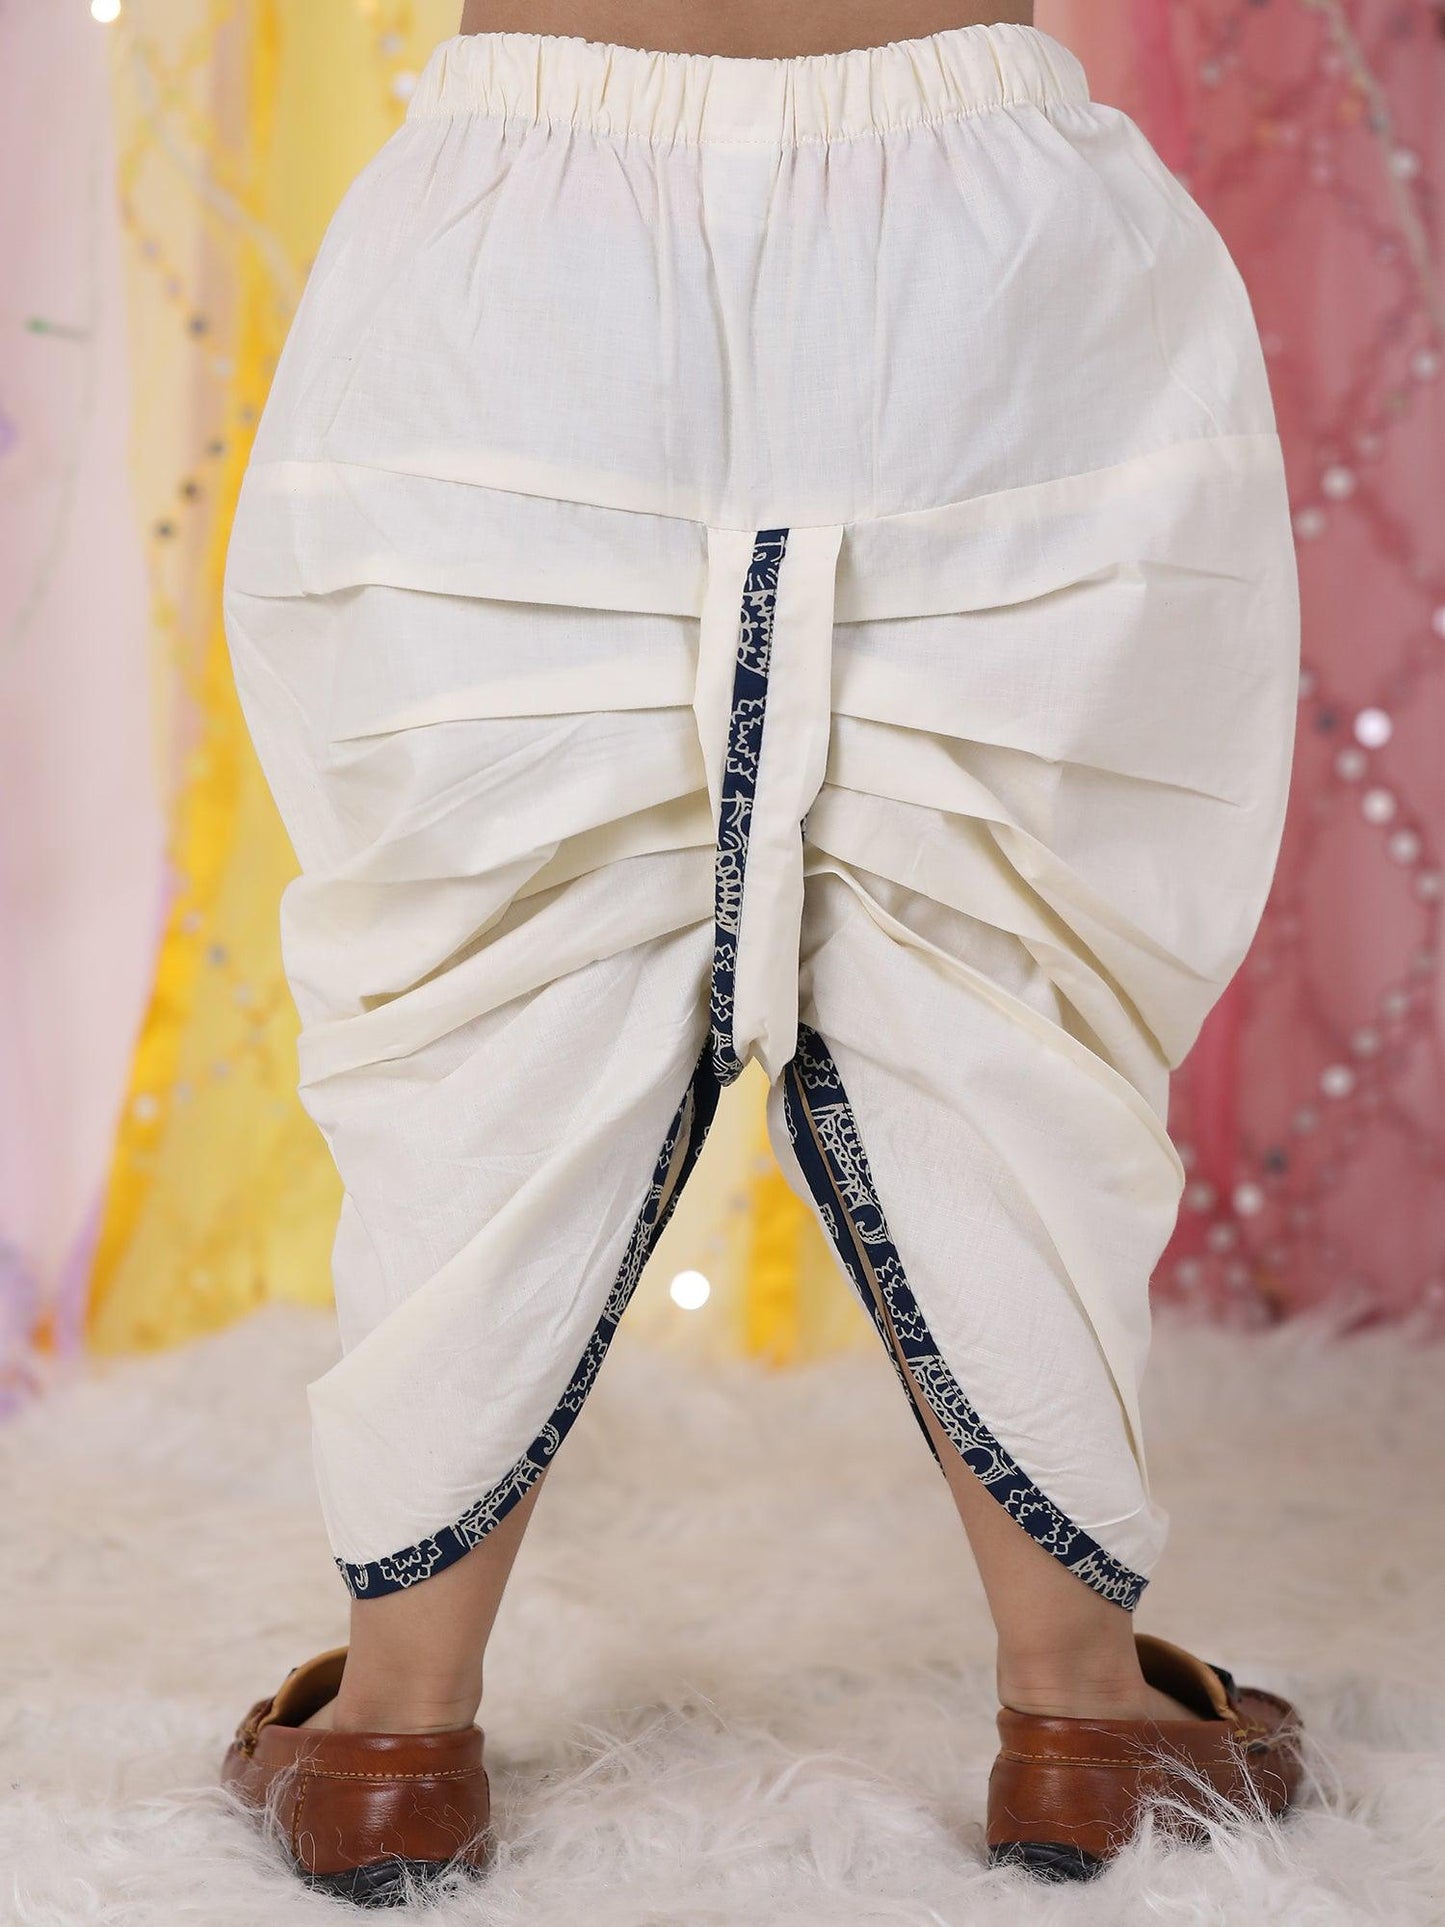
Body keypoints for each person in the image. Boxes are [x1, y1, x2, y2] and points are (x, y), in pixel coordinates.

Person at [217, 0, 1304, 1904]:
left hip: (510, 257)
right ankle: (1080, 1714)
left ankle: (391, 1736)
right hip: (990, 262)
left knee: (487, 985)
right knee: (999, 966)